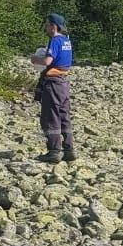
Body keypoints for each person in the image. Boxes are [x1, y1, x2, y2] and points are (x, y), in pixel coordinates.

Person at [33, 13, 75, 163]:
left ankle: (54, 151)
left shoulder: (55, 41)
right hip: (64, 82)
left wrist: (34, 59)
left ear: (53, 26)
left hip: (53, 83)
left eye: (47, 24)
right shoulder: (67, 41)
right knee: (64, 116)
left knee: (51, 117)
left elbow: (47, 61)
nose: (45, 27)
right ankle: (69, 150)